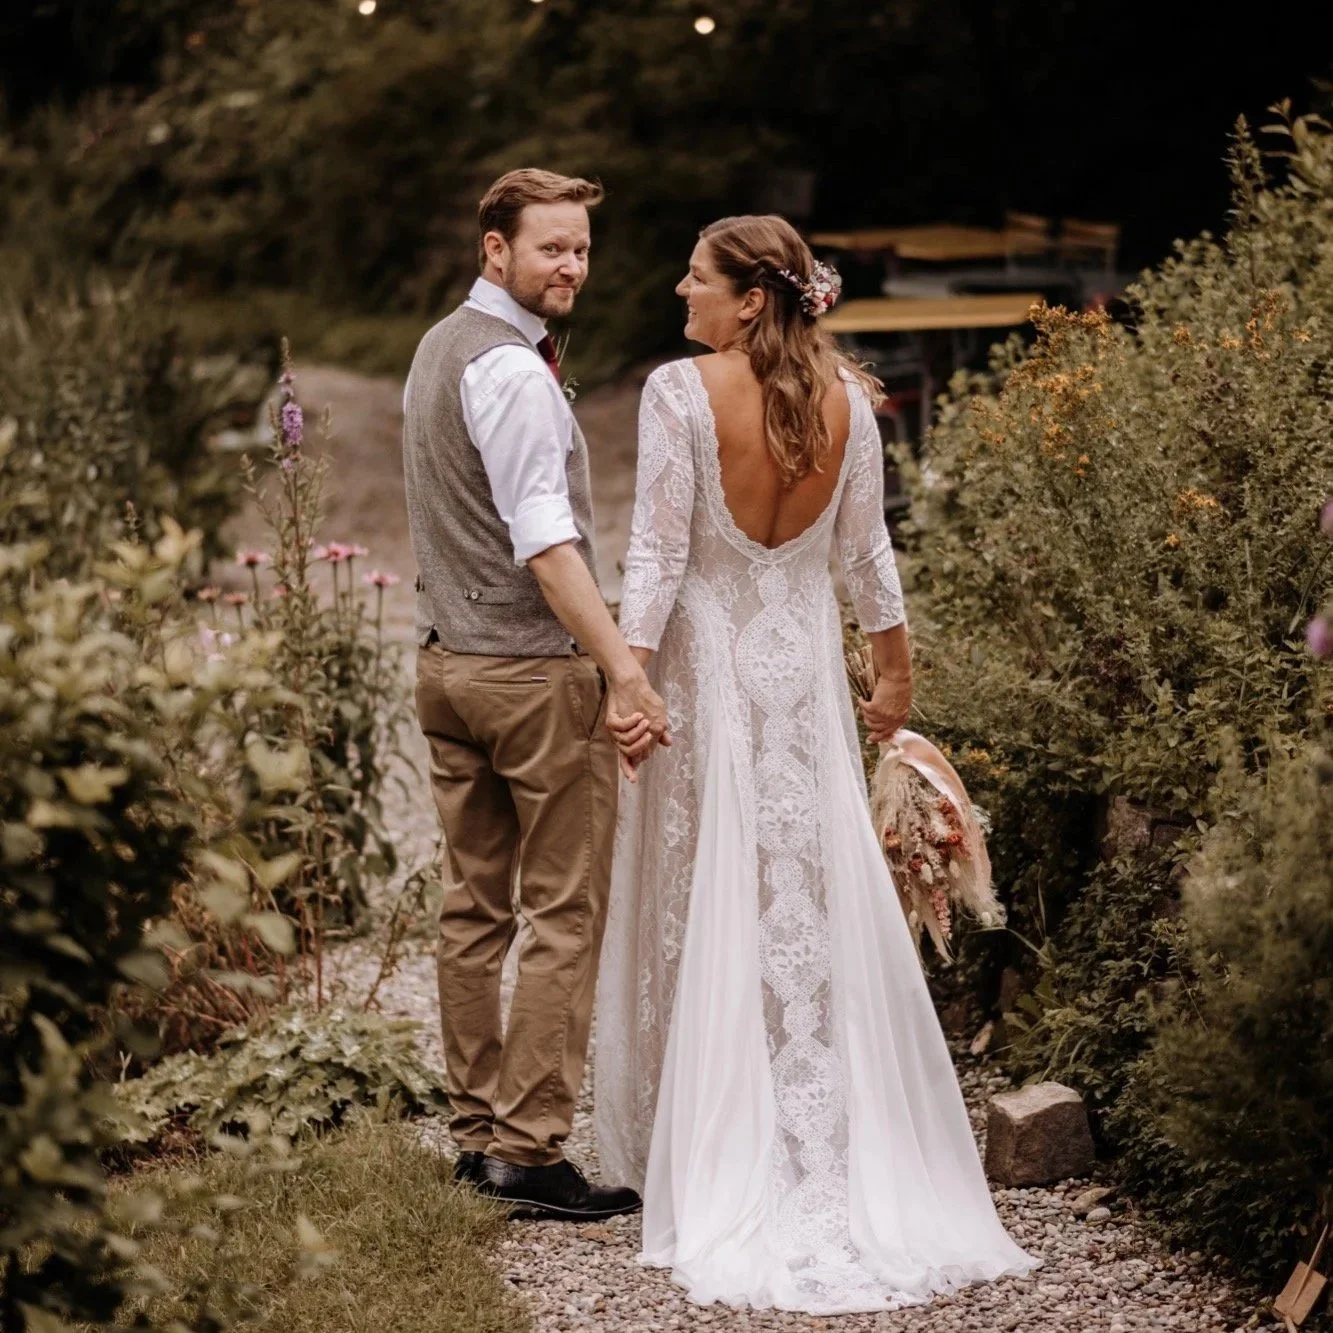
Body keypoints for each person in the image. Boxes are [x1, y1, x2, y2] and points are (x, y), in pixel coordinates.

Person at [594, 215, 1038, 1312]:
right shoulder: (848, 396)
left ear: (750, 299)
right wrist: (893, 670)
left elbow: (655, 549)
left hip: (707, 676)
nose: (679, 288)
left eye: (697, 275)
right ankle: (820, 1125)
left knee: (710, 887)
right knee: (808, 893)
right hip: (801, 683)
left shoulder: (679, 393)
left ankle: (708, 1142)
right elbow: (867, 551)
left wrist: (630, 676)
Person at [403, 168, 665, 1221]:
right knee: (561, 911)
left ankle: (474, 1134)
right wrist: (623, 667)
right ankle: (529, 1148)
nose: (572, 267)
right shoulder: (509, 371)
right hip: (526, 676)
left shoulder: (437, 347)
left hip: (448, 666)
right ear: (494, 250)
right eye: (552, 247)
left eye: (583, 249)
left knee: (474, 908)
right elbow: (547, 546)